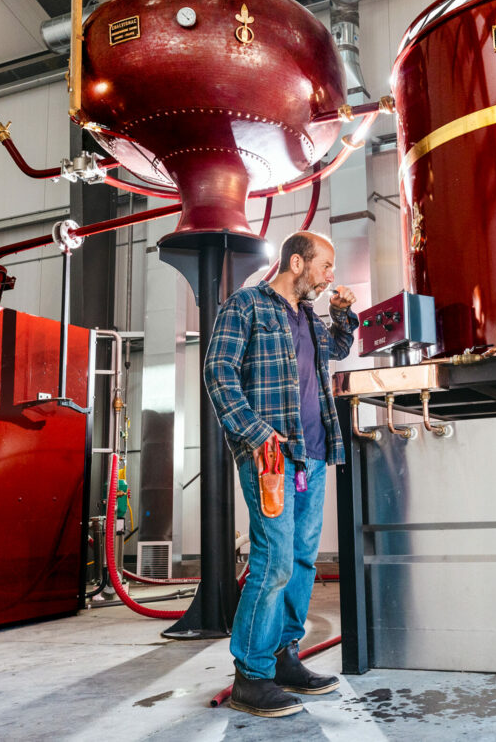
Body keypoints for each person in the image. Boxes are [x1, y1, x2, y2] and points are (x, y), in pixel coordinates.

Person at [203, 231, 358, 718]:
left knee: (303, 561)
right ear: (297, 261)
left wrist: (342, 312)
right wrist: (256, 434)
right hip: (270, 455)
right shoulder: (246, 305)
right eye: (326, 265)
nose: (331, 274)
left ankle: (284, 658)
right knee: (274, 563)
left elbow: (337, 349)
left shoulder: (310, 319)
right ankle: (251, 675)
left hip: (313, 455)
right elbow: (218, 371)